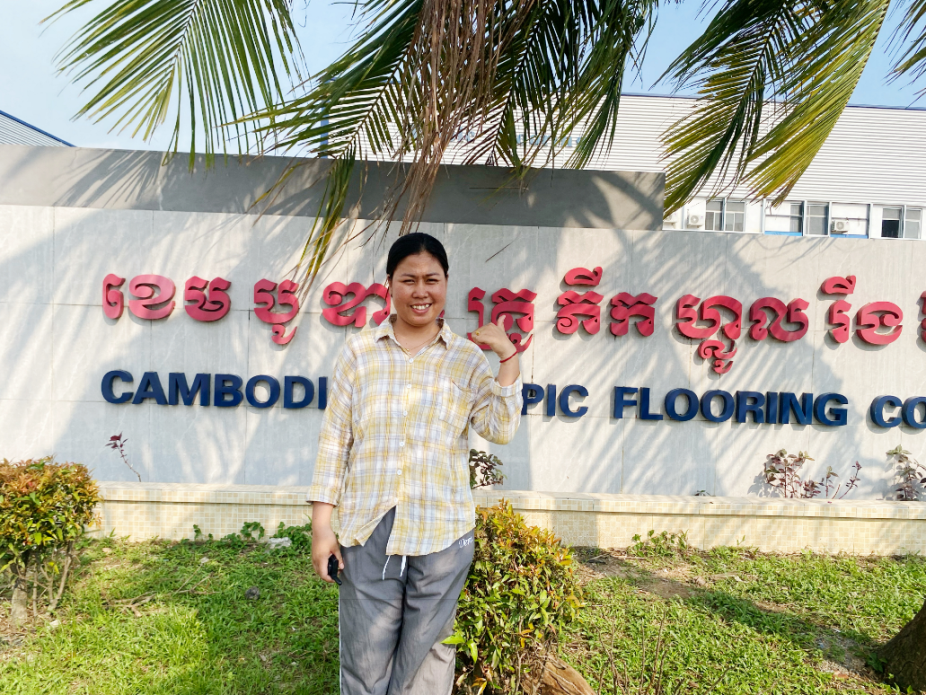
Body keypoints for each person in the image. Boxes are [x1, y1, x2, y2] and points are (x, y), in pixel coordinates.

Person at [307, 232, 523, 695]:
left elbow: (500, 428)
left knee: (428, 657)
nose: (420, 291)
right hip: (369, 526)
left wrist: (508, 358)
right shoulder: (359, 352)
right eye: (408, 280)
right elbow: (334, 442)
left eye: (431, 279)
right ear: (389, 283)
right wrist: (322, 526)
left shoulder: (466, 358)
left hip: (442, 529)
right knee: (364, 657)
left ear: (445, 283)